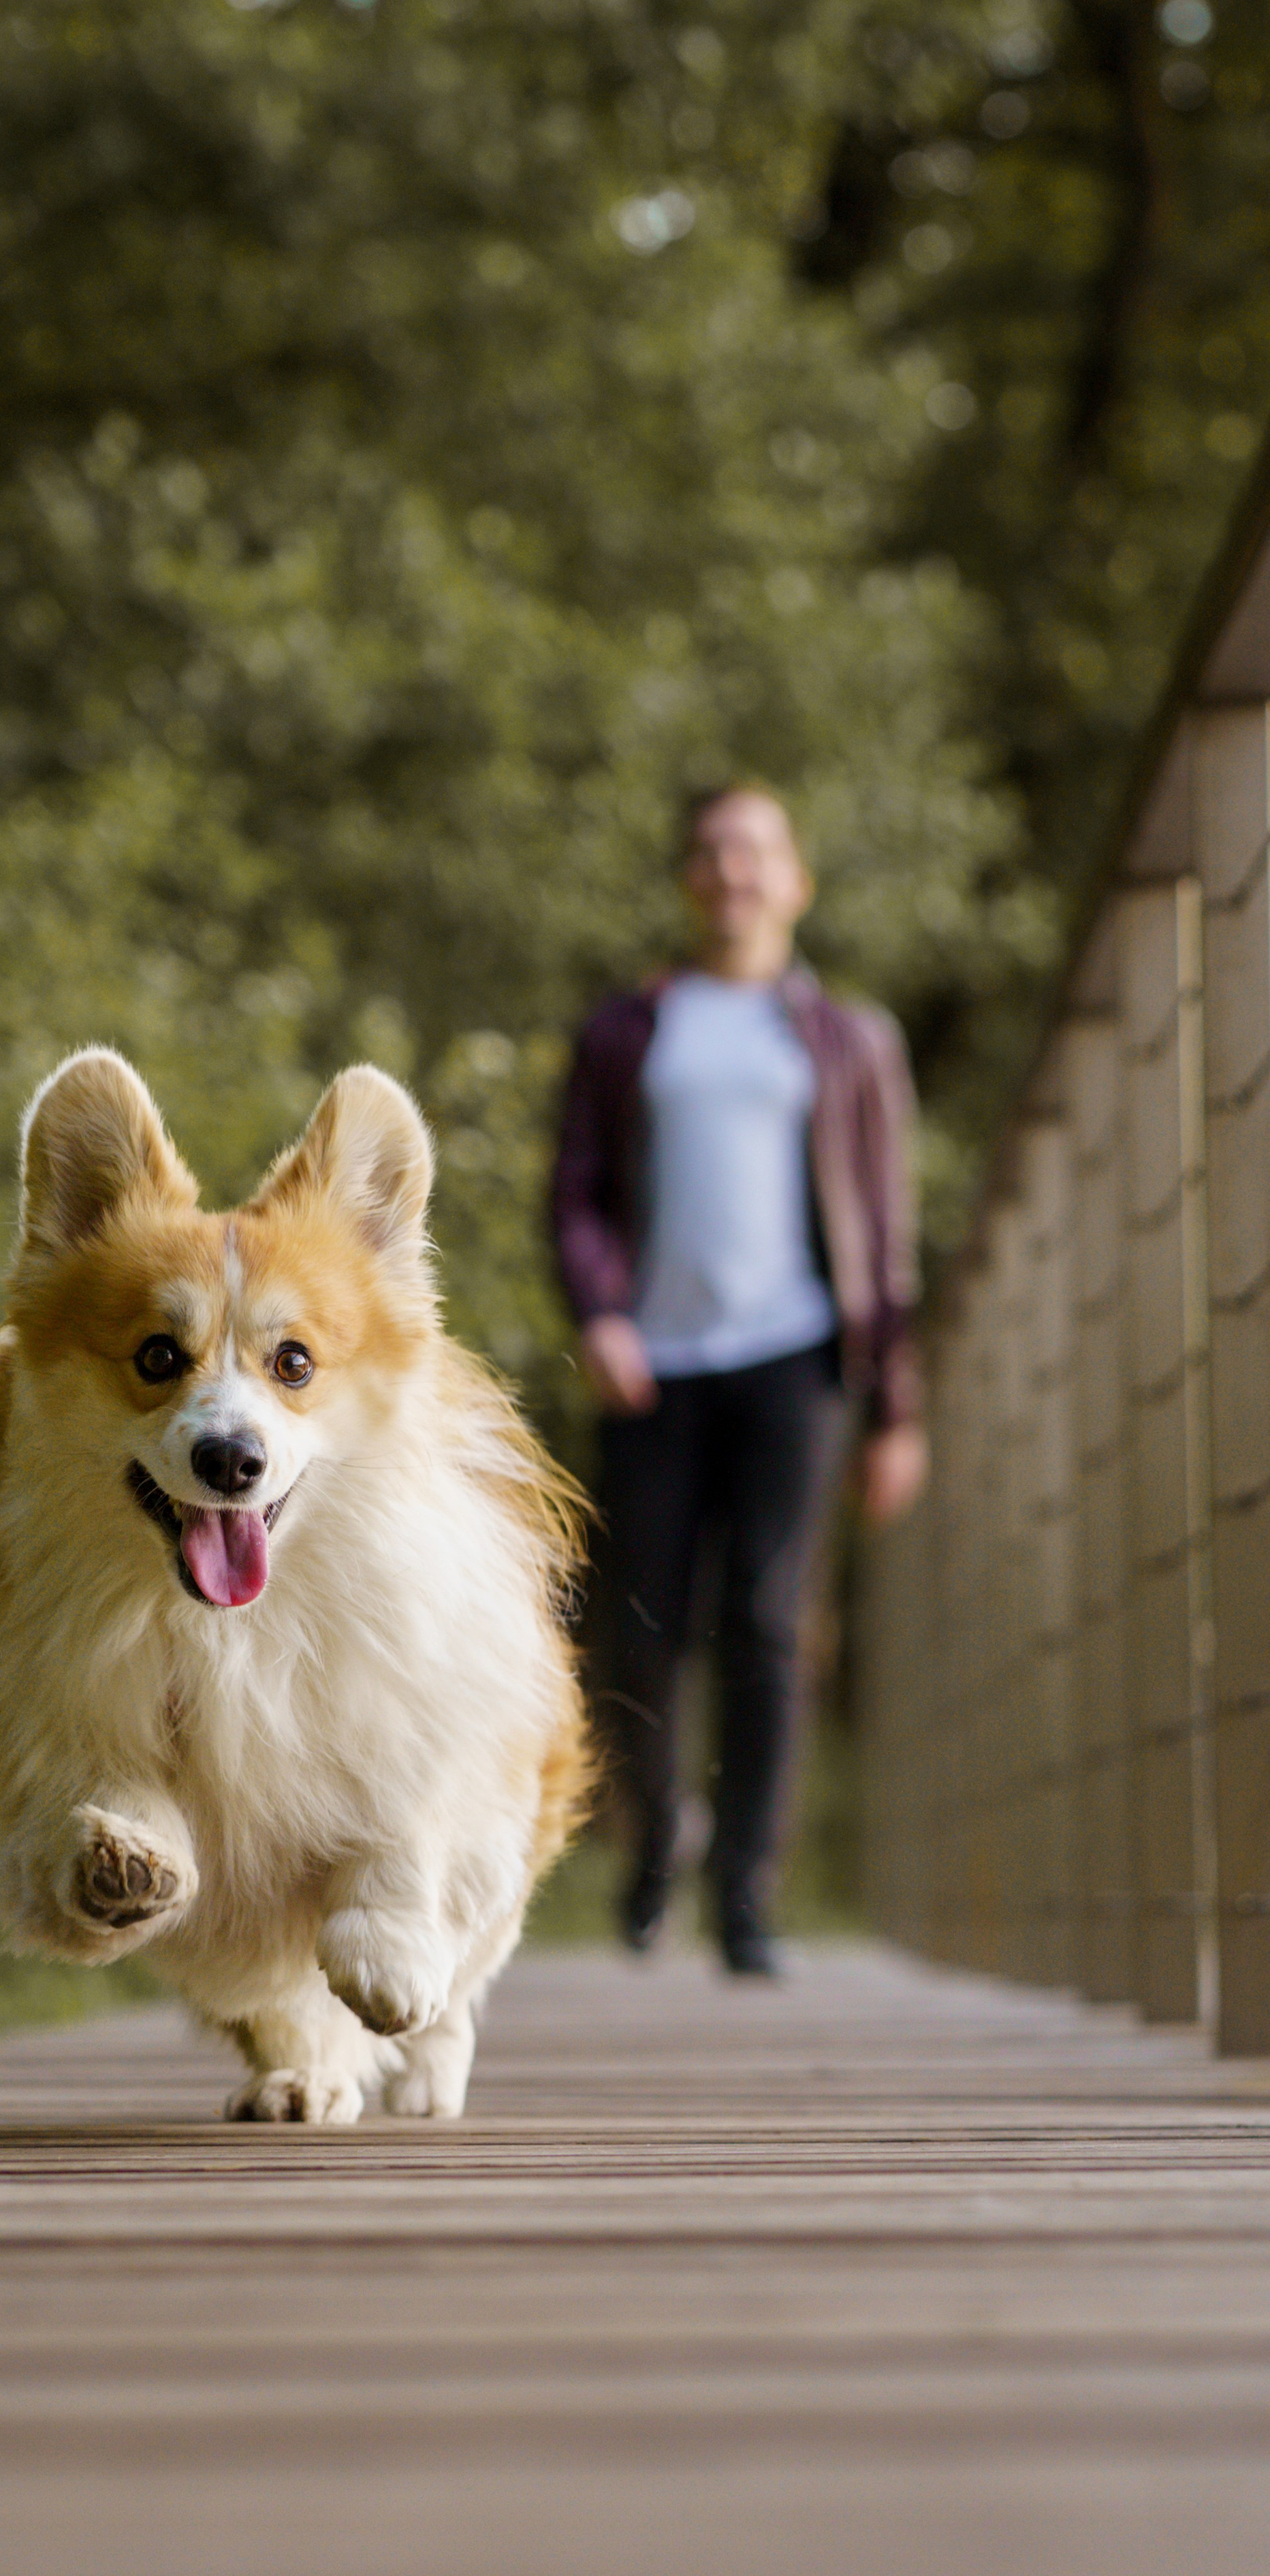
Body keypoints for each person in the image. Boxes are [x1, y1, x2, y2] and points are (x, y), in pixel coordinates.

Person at [550, 784, 927, 1973]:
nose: (733, 871)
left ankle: (747, 1895)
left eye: (757, 851)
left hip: (797, 1360)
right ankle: (657, 1839)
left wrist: (897, 1406)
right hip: (652, 1368)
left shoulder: (846, 1039)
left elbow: (886, 1222)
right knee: (644, 1624)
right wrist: (600, 1313)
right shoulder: (627, 1030)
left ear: (796, 880)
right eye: (712, 850)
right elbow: (573, 1197)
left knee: (767, 1623)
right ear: (688, 879)